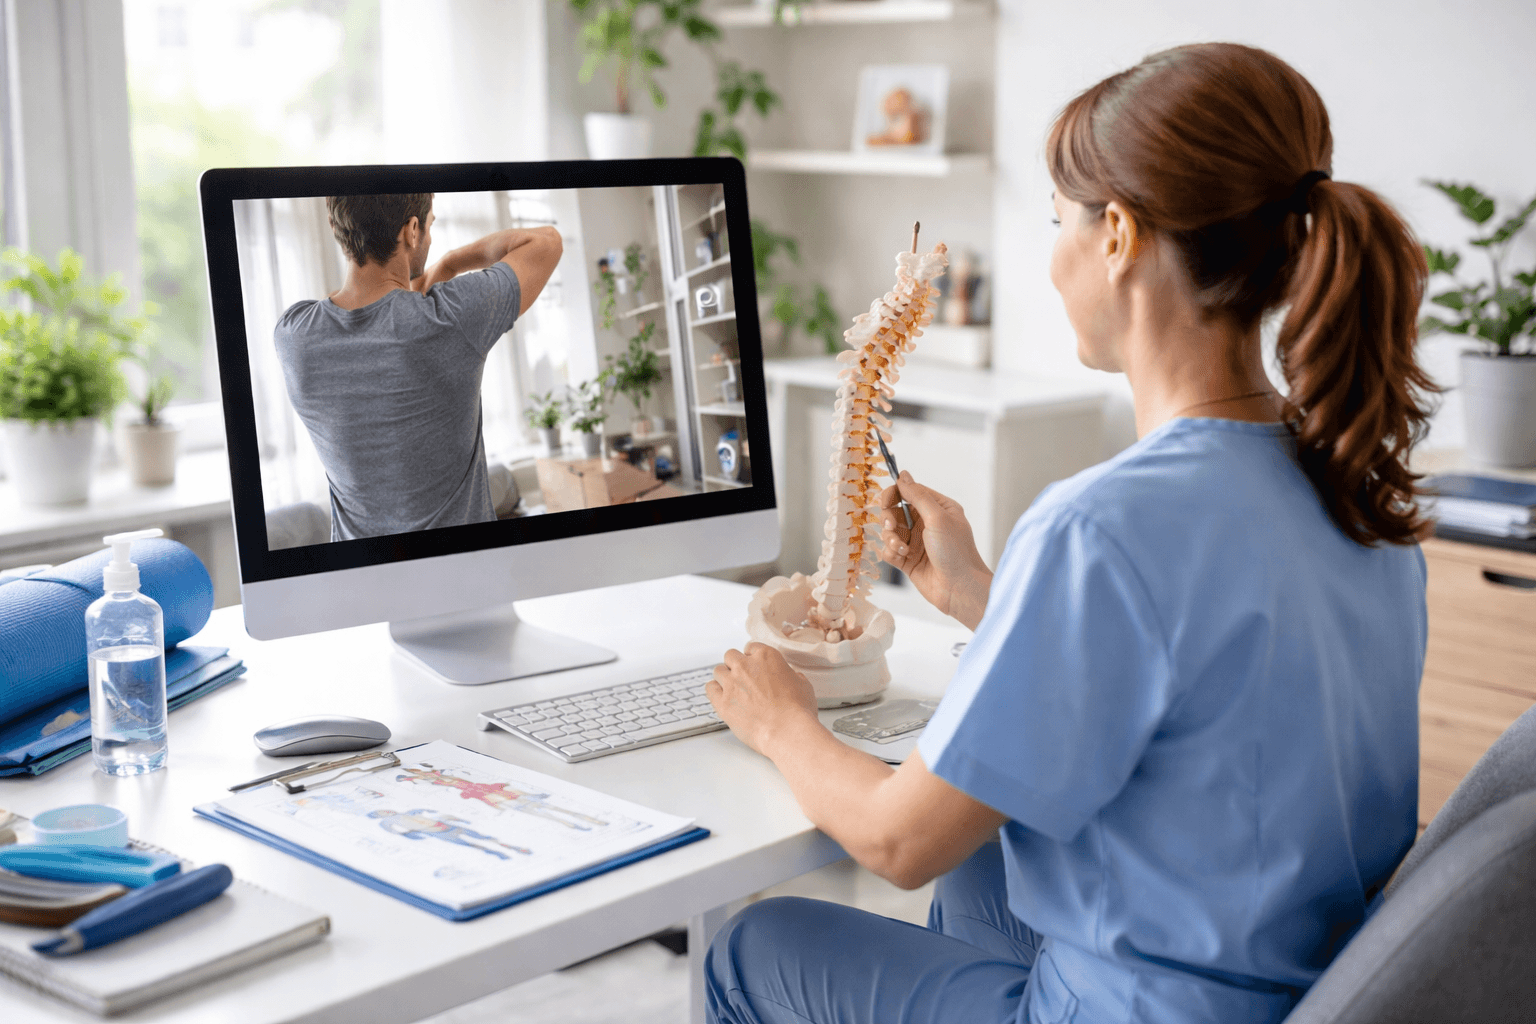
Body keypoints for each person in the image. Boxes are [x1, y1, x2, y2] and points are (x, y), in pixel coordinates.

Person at [704, 42, 1436, 1024]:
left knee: (752, 947)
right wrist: (980, 593)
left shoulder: (1103, 524)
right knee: (984, 865)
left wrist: (779, 720)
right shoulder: (1361, 493)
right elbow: (1203, 677)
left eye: (1058, 222)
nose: (1052, 261)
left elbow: (894, 842)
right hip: (1291, 987)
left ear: (1118, 234)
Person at [274, 193, 562, 541]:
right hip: (465, 568)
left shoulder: (293, 334)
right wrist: (452, 261)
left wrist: (435, 274)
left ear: (335, 226)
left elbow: (381, 311)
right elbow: (546, 242)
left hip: (360, 572)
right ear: (412, 230)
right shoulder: (449, 319)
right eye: (429, 226)